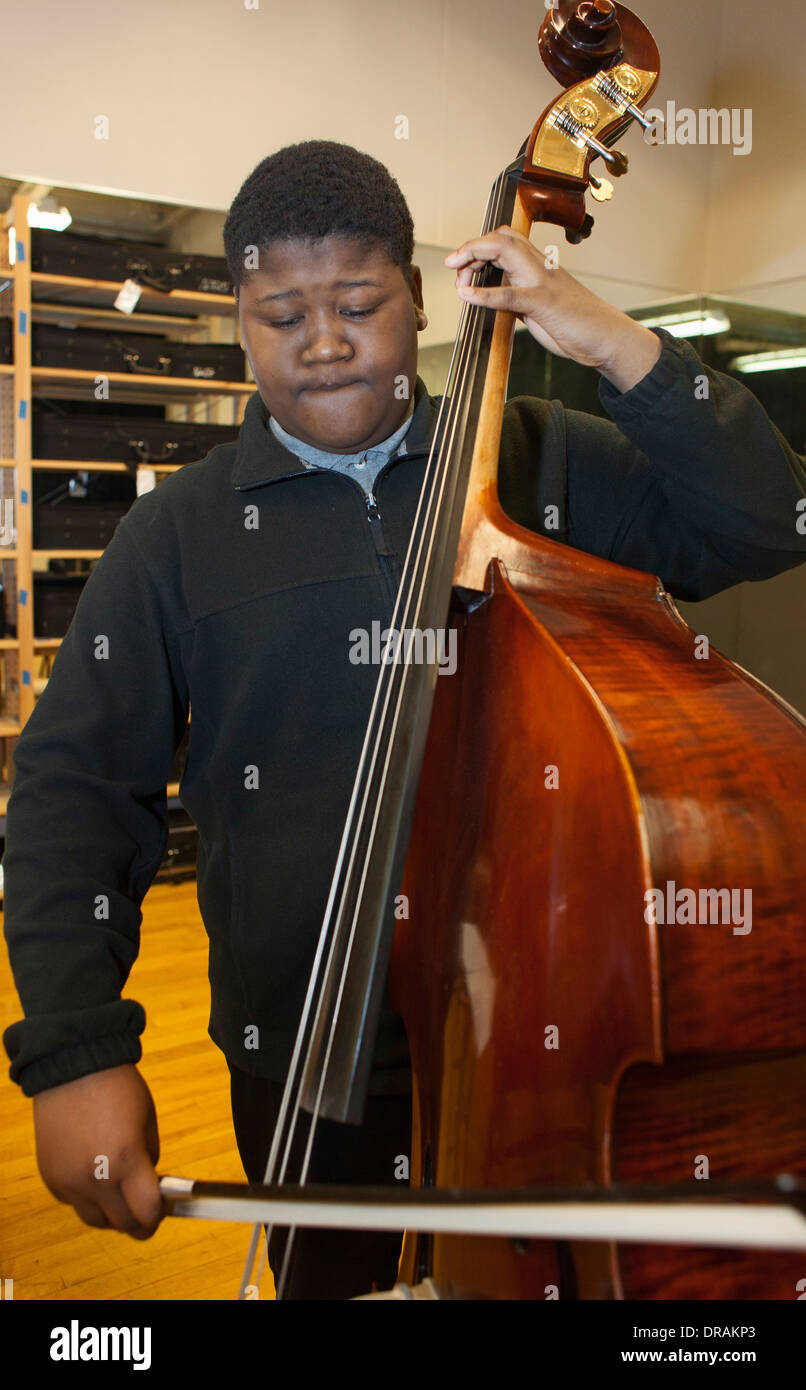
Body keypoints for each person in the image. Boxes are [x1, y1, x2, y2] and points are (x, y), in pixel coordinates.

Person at [3, 141, 806, 1300]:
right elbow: (75, 792)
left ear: (422, 298)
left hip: (548, 1049)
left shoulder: (540, 461)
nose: (323, 340)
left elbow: (766, 522)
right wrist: (75, 1051)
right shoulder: (173, 537)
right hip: (309, 1057)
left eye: (359, 303)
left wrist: (604, 338)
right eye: (281, 311)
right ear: (237, 319)